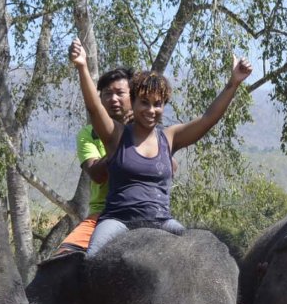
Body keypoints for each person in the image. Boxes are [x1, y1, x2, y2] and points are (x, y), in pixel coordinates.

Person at [68, 39, 252, 255]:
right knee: (92, 259)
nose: (151, 110)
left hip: (162, 221)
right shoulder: (115, 135)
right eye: (144, 102)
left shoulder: (170, 137)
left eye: (158, 104)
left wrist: (234, 83)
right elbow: (94, 107)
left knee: (202, 254)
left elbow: (207, 119)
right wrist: (82, 66)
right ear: (133, 103)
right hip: (118, 220)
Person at [56, 66, 134, 254]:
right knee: (60, 260)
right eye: (107, 94)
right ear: (100, 99)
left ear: (133, 96)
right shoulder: (88, 133)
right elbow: (97, 174)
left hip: (146, 211)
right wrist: (122, 142)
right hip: (102, 214)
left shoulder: (147, 129)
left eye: (120, 93)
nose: (113, 99)